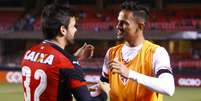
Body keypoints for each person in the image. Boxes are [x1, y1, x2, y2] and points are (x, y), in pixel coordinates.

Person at [98, 1, 175, 101]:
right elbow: (104, 83)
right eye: (118, 21)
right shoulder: (111, 52)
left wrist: (130, 74)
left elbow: (168, 88)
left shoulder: (157, 52)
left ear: (140, 26)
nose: (118, 26)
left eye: (124, 23)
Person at [20, 4, 94, 101]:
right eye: (73, 26)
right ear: (63, 30)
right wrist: (105, 90)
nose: (75, 30)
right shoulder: (67, 63)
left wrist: (74, 58)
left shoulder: (29, 53)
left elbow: (53, 69)